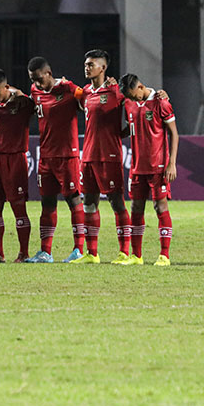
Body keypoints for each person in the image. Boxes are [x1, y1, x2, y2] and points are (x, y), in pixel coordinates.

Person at [25, 56, 87, 263]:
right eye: (32, 79)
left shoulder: (68, 88)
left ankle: (79, 249)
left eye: (39, 79)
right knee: (47, 203)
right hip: (46, 157)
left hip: (67, 155)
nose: (36, 83)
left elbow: (88, 98)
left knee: (73, 199)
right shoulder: (35, 92)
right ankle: (45, 252)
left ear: (49, 74)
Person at [77, 50, 133, 264]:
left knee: (116, 202)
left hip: (109, 155)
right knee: (89, 203)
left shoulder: (116, 91)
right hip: (88, 155)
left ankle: (124, 252)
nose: (87, 67)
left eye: (91, 64)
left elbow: (135, 110)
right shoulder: (86, 92)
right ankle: (92, 254)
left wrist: (118, 135)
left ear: (103, 67)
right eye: (86, 63)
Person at [120, 74, 178, 266]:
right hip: (137, 168)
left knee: (160, 207)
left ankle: (164, 255)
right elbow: (131, 127)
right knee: (136, 208)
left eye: (133, 95)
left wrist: (172, 163)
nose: (132, 99)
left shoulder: (161, 103)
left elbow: (174, 134)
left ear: (141, 87)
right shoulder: (129, 104)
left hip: (158, 167)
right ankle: (136, 256)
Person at [0, 68, 35, 263]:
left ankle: (24, 253)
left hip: (15, 159)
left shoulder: (22, 103)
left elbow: (38, 106)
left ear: (6, 86)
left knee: (18, 206)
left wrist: (19, 93)